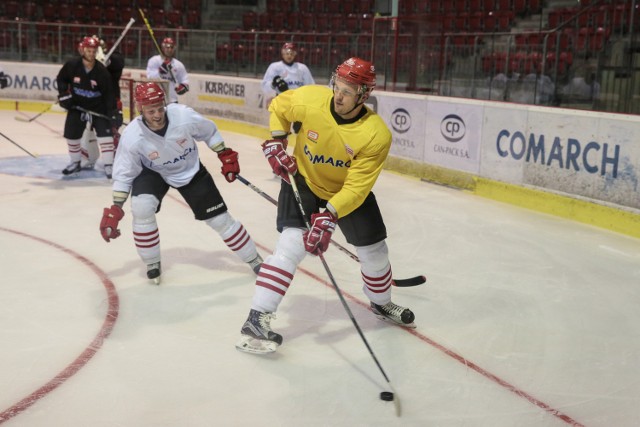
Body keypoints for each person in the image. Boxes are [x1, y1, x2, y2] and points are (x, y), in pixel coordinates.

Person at [236, 57, 415, 354]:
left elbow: (357, 186)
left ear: (364, 94)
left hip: (344, 192)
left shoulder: (376, 134)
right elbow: (278, 107)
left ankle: (381, 303)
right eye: (338, 87)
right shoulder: (310, 98)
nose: (339, 96)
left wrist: (330, 214)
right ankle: (256, 318)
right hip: (303, 181)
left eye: (348, 91)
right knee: (291, 245)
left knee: (375, 251)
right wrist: (278, 142)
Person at [99, 82, 263, 285]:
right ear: (141, 109)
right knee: (141, 208)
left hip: (190, 171)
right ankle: (152, 262)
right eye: (151, 111)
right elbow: (124, 173)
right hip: (153, 172)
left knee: (220, 220)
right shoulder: (133, 136)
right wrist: (116, 207)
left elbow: (209, 132)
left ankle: (253, 258)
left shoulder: (183, 116)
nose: (157, 115)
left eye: (160, 108)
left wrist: (224, 154)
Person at [57, 36, 117, 178]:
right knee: (71, 134)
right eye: (88, 50)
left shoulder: (101, 71)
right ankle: (75, 162)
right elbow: (61, 79)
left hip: (98, 108)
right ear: (82, 50)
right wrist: (64, 94)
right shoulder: (72, 65)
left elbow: (109, 93)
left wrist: (113, 112)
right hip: (77, 106)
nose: (91, 53)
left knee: (105, 135)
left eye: (93, 51)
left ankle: (109, 165)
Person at [79, 36, 126, 171]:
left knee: (111, 131)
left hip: (111, 105)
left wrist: (108, 61)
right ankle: (89, 157)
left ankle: (118, 158)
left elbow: (119, 63)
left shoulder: (113, 61)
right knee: (86, 129)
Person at [261, 42, 315, 133]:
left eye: (291, 53)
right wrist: (274, 84)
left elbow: (311, 86)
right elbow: (265, 84)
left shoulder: (302, 68)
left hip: (298, 104)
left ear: (295, 54)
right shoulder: (275, 67)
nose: (289, 56)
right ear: (282, 53)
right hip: (281, 103)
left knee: (301, 133)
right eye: (287, 53)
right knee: (279, 133)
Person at [145, 37, 189, 104]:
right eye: (167, 47)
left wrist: (183, 86)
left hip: (172, 100)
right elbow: (149, 77)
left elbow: (184, 79)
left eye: (172, 47)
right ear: (162, 48)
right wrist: (161, 70)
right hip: (156, 99)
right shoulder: (154, 60)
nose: (169, 49)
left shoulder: (178, 64)